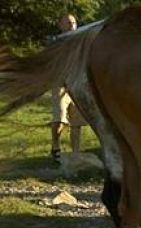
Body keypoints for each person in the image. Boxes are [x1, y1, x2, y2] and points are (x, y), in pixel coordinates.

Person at [49, 14, 87, 162]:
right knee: (59, 119)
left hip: (77, 84)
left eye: (74, 23)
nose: (72, 25)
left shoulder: (81, 42)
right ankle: (55, 146)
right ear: (61, 25)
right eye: (68, 23)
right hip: (59, 84)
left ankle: (76, 153)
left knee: (77, 122)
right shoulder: (55, 42)